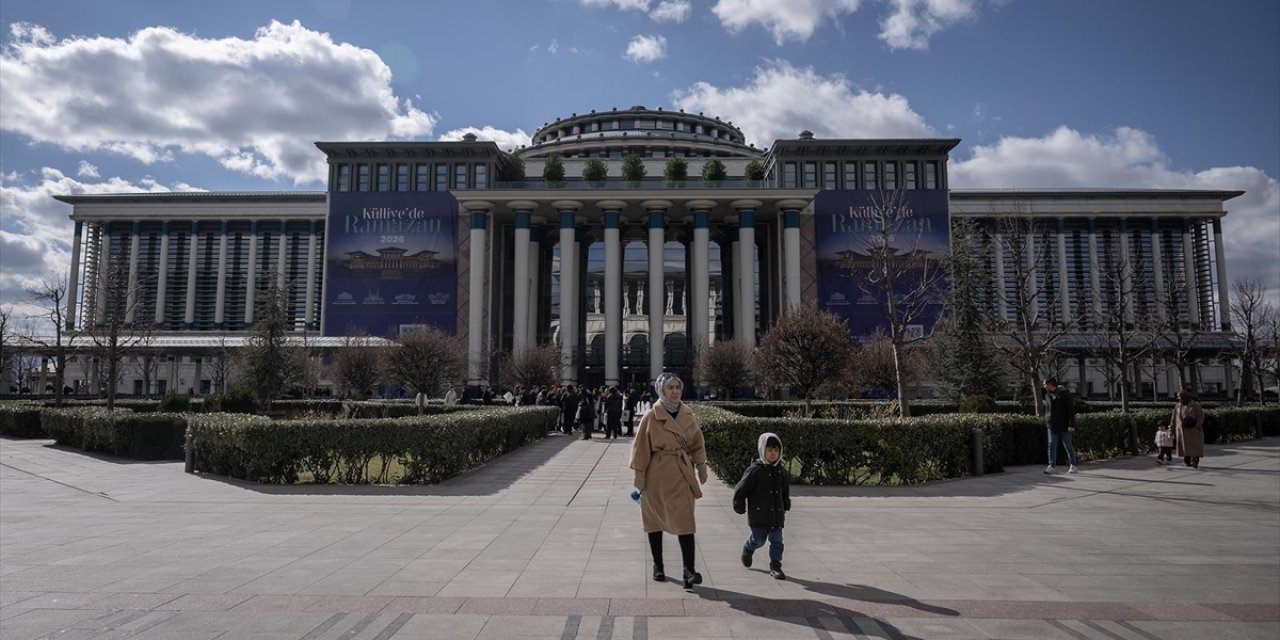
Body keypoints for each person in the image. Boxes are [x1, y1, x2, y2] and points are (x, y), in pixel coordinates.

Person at [629, 372, 709, 589]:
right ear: (661, 390)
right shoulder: (650, 416)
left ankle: (689, 571)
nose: (675, 391)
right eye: (670, 387)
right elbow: (640, 450)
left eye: (678, 387)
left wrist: (701, 465)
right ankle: (658, 565)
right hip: (656, 475)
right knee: (654, 520)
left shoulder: (688, 414)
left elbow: (697, 443)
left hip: (682, 474)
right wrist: (639, 477)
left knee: (686, 521)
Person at [732, 432, 791, 580]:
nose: (773, 454)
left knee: (777, 540)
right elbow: (741, 487)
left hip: (776, 514)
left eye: (776, 450)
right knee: (759, 539)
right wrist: (738, 502)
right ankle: (749, 547)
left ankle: (776, 565)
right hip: (759, 514)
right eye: (769, 450)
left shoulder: (780, 471)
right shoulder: (755, 470)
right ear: (762, 449)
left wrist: (786, 501)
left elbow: (784, 489)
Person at [1043, 378, 1078, 474]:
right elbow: (1047, 409)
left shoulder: (1064, 394)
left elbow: (1070, 410)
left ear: (1050, 384)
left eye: (1045, 384)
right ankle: (1051, 466)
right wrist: (1047, 420)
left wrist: (1071, 424)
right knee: (1051, 445)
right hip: (1052, 424)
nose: (1044, 386)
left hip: (1064, 425)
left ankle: (1073, 465)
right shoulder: (1048, 395)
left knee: (1068, 446)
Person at [1172, 390, 1204, 468]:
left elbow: (1200, 416)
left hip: (1193, 430)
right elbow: (1173, 418)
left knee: (1194, 446)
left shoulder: (1195, 405)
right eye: (1179, 397)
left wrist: (1197, 425)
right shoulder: (1178, 406)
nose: (1180, 399)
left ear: (1187, 397)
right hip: (1181, 430)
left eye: (1181, 397)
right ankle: (1187, 461)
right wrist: (1171, 428)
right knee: (1184, 447)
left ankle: (1195, 461)